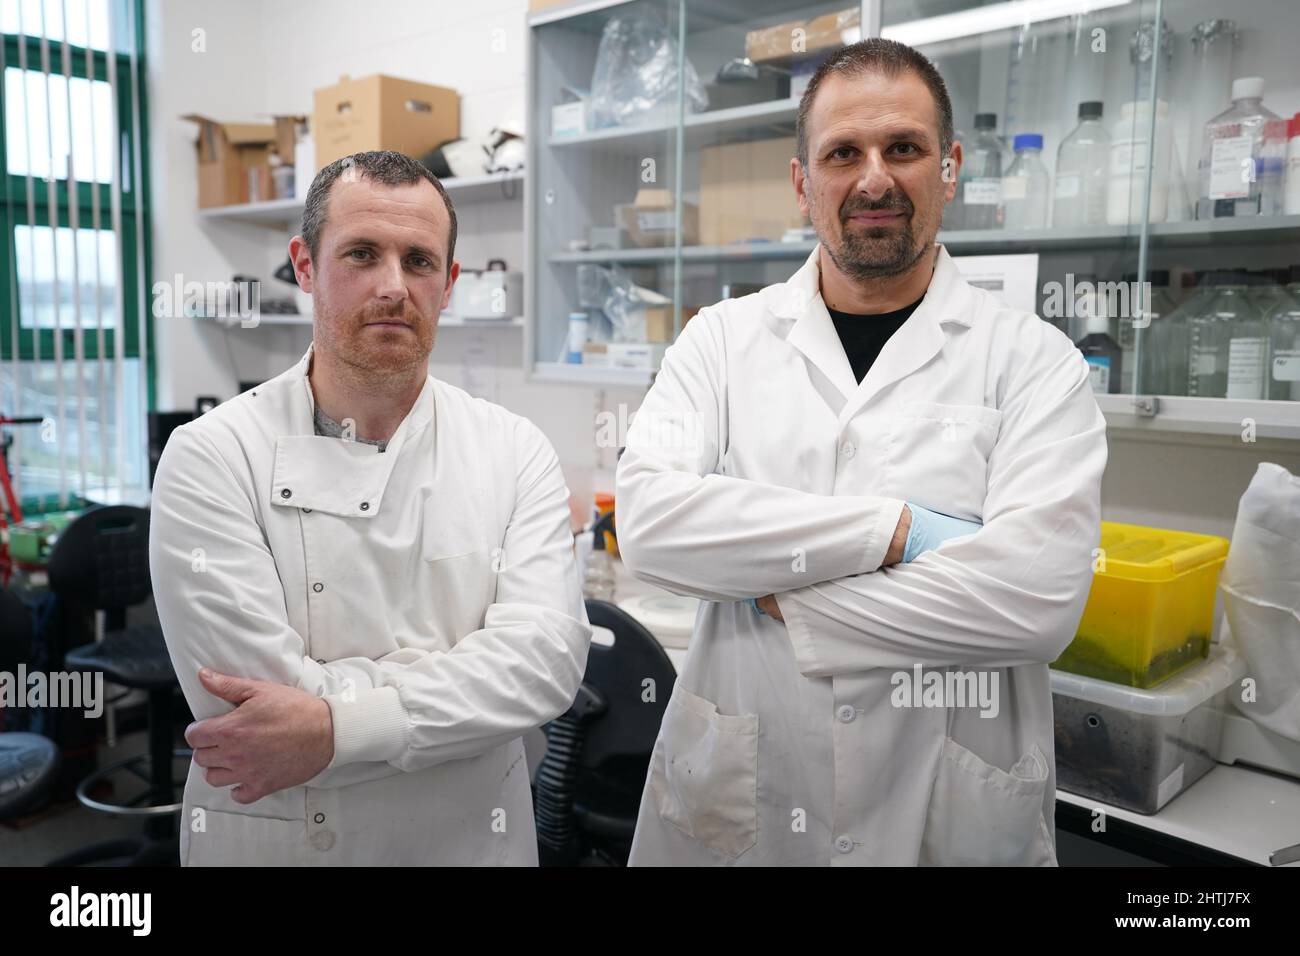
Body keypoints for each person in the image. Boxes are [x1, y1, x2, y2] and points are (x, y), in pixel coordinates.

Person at [617, 39, 1107, 866]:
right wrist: (900, 532)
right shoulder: (721, 342)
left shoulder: (1035, 361)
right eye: (844, 153)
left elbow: (1037, 598)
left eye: (904, 149)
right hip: (746, 805)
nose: (874, 178)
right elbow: (653, 525)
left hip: (945, 809)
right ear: (804, 181)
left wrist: (781, 594)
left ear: (948, 168)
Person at [150, 150, 591, 865]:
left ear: (448, 285)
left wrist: (331, 726)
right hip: (290, 841)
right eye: (361, 254)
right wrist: (460, 693)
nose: (394, 287)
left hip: (471, 842)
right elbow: (247, 711)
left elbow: (539, 667)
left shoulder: (514, 450)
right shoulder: (213, 455)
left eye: (419, 262)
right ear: (303, 265)